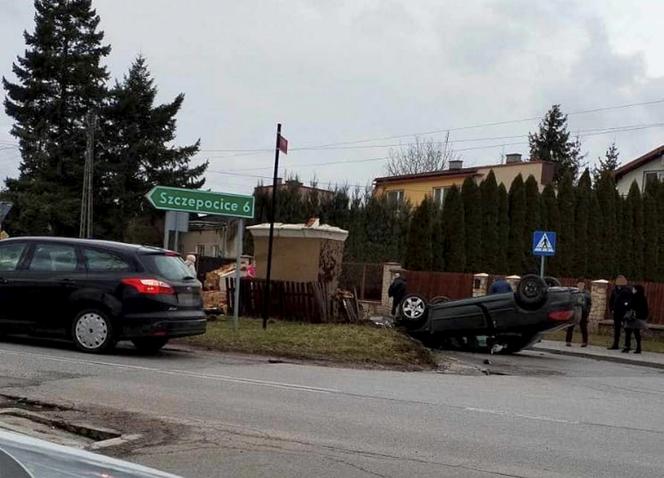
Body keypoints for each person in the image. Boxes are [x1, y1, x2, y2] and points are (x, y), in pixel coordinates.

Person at [565, 279, 592, 347]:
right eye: (579, 284)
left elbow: (589, 303)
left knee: (583, 327)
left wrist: (587, 311)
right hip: (574, 311)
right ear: (577, 284)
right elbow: (569, 300)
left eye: (582, 284)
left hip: (583, 312)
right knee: (570, 326)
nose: (581, 285)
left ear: (584, 285)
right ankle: (568, 341)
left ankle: (584, 342)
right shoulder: (573, 292)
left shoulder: (587, 293)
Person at [623, 284, 648, 354]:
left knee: (628, 332)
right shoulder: (643, 298)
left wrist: (626, 304)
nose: (632, 290)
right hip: (639, 318)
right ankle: (638, 348)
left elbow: (629, 306)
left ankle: (627, 347)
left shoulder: (634, 297)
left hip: (632, 318)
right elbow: (646, 310)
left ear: (636, 290)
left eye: (634, 289)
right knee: (637, 333)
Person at [608, 275, 631, 350]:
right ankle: (615, 344)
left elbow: (630, 300)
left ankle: (627, 345)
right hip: (616, 312)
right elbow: (611, 301)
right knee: (617, 329)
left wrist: (627, 307)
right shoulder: (614, 290)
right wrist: (611, 309)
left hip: (624, 312)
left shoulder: (627, 290)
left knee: (627, 328)